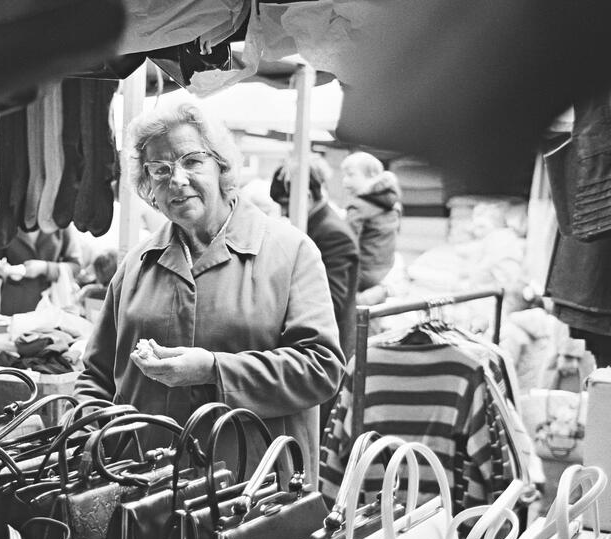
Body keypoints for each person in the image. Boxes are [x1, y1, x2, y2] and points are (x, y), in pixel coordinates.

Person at [75, 101, 345, 483]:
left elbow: (321, 368)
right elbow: (96, 376)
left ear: (221, 167)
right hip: (144, 493)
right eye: (160, 169)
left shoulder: (289, 251)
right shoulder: (136, 265)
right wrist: (94, 442)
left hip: (253, 492)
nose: (177, 179)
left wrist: (213, 369)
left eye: (192, 161)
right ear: (148, 186)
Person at [269, 158, 359, 358]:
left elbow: (330, 304)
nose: (283, 212)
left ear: (306, 197)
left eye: (285, 204)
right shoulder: (319, 227)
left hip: (322, 354)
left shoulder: (332, 234)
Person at [0, 224, 81, 316]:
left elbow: (76, 267)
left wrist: (45, 268)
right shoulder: (7, 222)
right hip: (14, 304)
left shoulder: (61, 223)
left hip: (50, 305)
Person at [340, 151, 402, 294]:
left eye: (351, 175)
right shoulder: (392, 203)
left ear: (372, 176)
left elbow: (345, 243)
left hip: (363, 274)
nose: (345, 181)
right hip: (385, 269)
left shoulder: (358, 206)